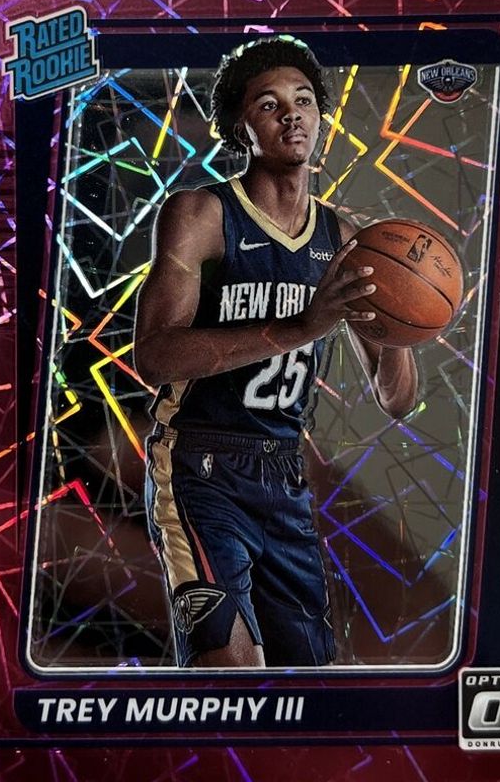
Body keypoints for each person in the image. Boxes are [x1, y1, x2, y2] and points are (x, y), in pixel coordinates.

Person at [134, 37, 418, 668]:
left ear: (320, 117)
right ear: (242, 127)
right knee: (230, 668)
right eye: (269, 104)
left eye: (304, 100)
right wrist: (301, 326)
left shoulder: (344, 239)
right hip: (199, 464)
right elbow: (153, 356)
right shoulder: (201, 214)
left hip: (283, 474)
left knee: (308, 686)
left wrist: (405, 316)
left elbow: (397, 399)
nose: (292, 115)